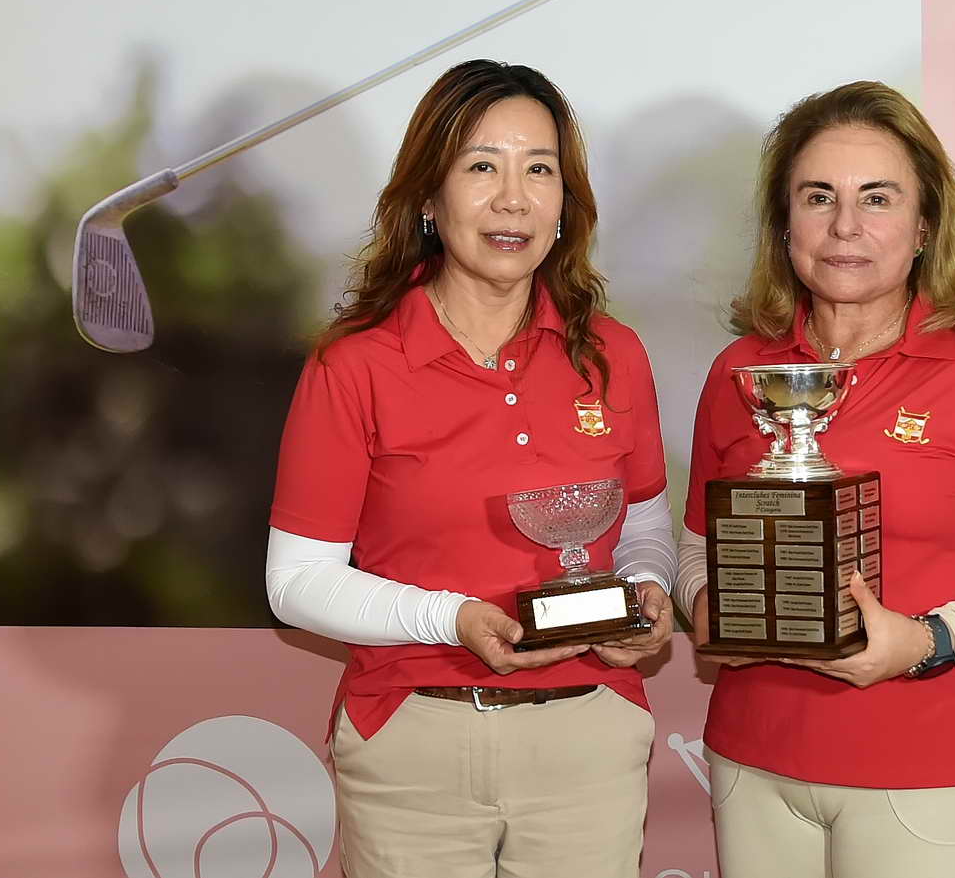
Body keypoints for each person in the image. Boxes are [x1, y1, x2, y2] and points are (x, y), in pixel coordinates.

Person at [265, 60, 675, 878]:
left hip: (588, 740)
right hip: (415, 745)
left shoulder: (615, 354)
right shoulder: (356, 362)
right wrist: (451, 618)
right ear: (428, 195)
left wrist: (646, 590)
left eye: (540, 170)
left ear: (566, 202)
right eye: (482, 166)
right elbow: (297, 582)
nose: (513, 198)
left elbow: (643, 525)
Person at [674, 81, 955, 878]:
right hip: (753, 760)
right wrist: (711, 609)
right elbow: (698, 548)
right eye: (818, 196)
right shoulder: (742, 370)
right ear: (784, 222)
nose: (845, 226)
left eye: (877, 197)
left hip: (924, 764)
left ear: (925, 223)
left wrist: (925, 642)